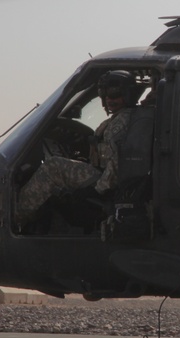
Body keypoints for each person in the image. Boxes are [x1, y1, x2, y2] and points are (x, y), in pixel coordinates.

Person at [15, 70, 144, 231]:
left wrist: (98, 190)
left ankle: (16, 219)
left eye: (116, 94)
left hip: (106, 183)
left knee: (52, 167)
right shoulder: (125, 117)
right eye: (106, 95)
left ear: (128, 94)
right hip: (105, 177)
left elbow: (117, 164)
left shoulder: (120, 124)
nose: (110, 99)